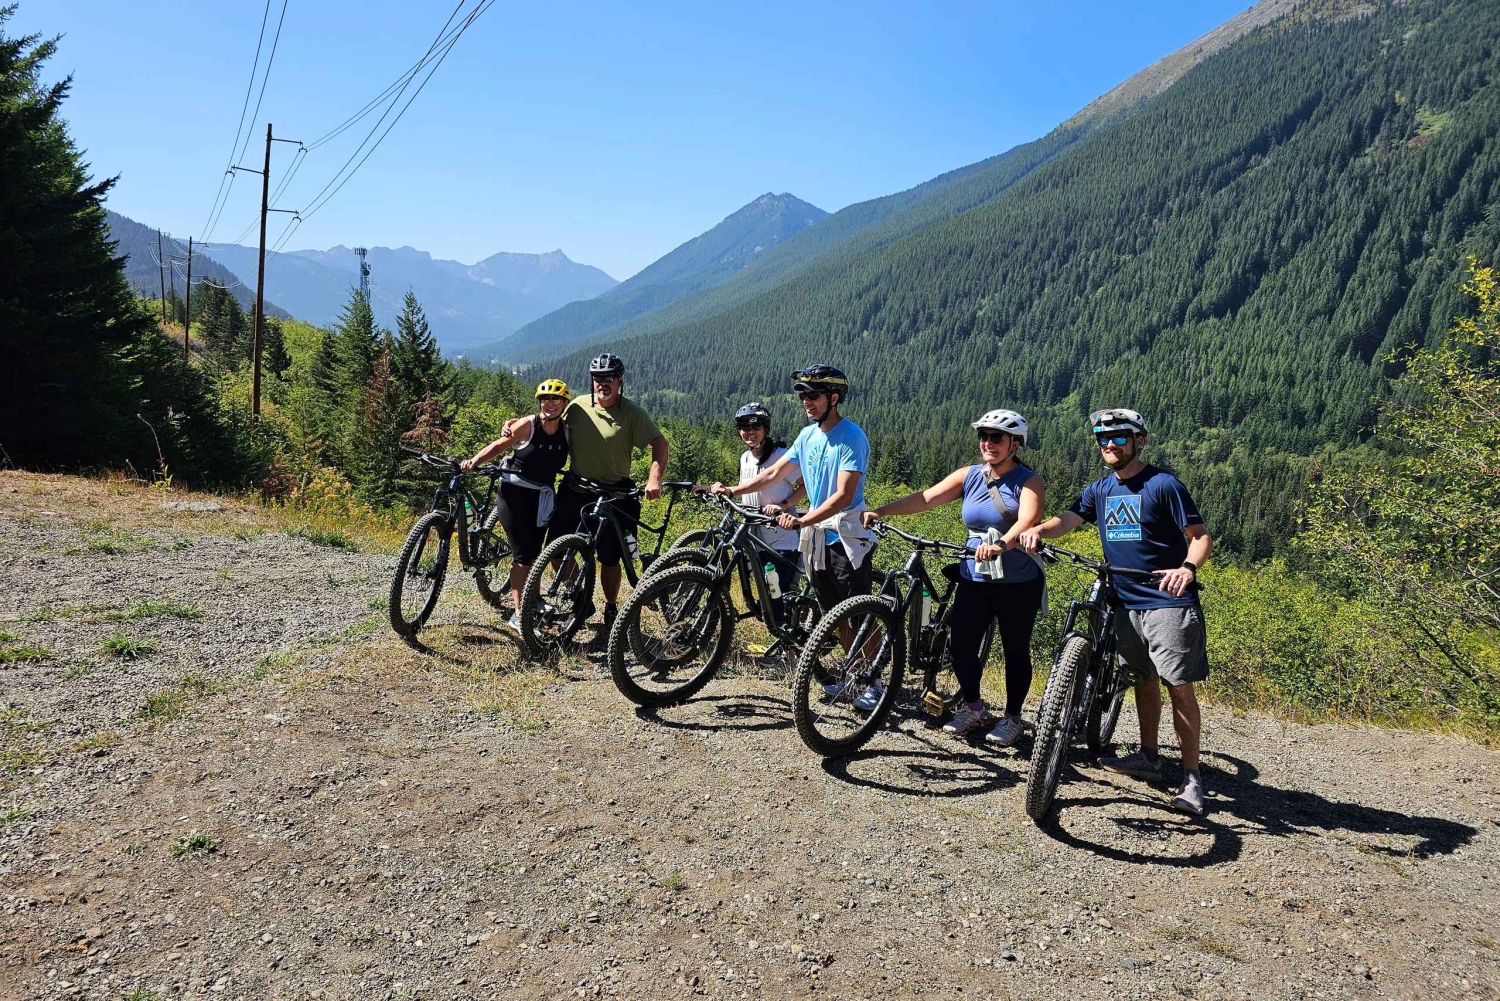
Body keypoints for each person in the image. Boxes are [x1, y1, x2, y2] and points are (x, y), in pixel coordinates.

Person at [1018, 407, 1214, 816]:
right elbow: (1068, 518)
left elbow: (1199, 536)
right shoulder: (1101, 489)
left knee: (1177, 685)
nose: (1110, 445)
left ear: (1138, 441)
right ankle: (1148, 756)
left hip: (1166, 600)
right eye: (1104, 439)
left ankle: (1192, 778)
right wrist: (1038, 530)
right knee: (1141, 678)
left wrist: (1187, 569)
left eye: (1119, 438)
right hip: (1123, 601)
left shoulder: (1163, 485)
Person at [862, 409, 1045, 745]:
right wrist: (882, 510)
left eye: (997, 438)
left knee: (1015, 649)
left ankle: (1014, 718)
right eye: (984, 436)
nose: (988, 443)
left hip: (1017, 580)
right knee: (960, 644)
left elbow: (1028, 521)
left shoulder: (1028, 481)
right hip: (974, 575)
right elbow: (927, 497)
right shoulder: (970, 475)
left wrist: (1002, 544)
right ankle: (975, 709)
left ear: (1015, 444)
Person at [711, 365, 876, 701]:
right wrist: (733, 490)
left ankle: (872, 681)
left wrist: (801, 518)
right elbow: (773, 473)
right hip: (816, 537)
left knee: (857, 615)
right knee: (834, 615)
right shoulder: (808, 436)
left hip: (845, 536)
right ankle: (853, 673)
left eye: (813, 395)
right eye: (803, 395)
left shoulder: (851, 437)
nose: (806, 401)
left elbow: (843, 495)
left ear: (834, 397)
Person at [550, 353, 669, 632]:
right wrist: (516, 427)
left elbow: (659, 442)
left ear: (619, 381)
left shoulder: (631, 412)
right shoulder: (577, 407)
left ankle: (611, 605)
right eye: (598, 378)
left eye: (609, 378)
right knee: (554, 549)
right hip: (576, 488)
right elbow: (548, 418)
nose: (603, 383)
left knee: (609, 557)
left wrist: (654, 479)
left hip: (616, 494)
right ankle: (580, 596)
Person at [462, 379, 572, 630]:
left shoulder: (567, 431)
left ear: (565, 403)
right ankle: (519, 615)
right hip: (514, 493)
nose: (550, 403)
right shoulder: (527, 425)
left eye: (556, 399)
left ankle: (532, 598)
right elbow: (499, 446)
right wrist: (474, 461)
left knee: (534, 552)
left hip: (542, 497)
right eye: (545, 399)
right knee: (523, 556)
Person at [728, 402, 805, 667]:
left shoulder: (781, 455)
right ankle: (785, 647)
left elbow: (805, 486)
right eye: (743, 427)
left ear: (766, 428)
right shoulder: (744, 458)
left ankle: (792, 656)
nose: (750, 432)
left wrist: (784, 506)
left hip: (781, 538)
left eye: (755, 426)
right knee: (767, 596)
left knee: (778, 594)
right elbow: (746, 489)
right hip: (755, 536)